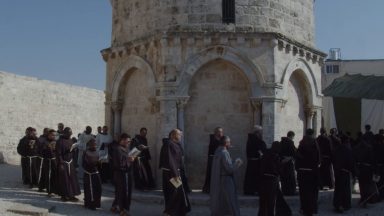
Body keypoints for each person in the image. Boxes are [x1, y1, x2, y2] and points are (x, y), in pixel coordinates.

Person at [159, 129, 191, 216]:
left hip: (173, 172)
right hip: (171, 173)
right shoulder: (169, 144)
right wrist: (176, 175)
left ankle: (174, 211)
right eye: (179, 134)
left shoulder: (174, 144)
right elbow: (171, 160)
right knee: (175, 193)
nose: (181, 136)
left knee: (176, 192)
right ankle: (170, 212)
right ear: (173, 135)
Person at [258, 141, 292, 216]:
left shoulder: (266, 154)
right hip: (272, 181)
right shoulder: (275, 156)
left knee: (263, 200)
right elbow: (277, 170)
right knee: (271, 200)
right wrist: (283, 163)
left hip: (263, 180)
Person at [210, 136, 242, 216]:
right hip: (226, 179)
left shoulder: (217, 151)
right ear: (226, 143)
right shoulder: (224, 153)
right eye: (229, 142)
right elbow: (229, 169)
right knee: (231, 201)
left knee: (222, 201)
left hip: (220, 180)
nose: (230, 144)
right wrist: (237, 163)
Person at [296, 128, 320, 216]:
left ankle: (303, 208)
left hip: (302, 172)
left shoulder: (301, 142)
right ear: (313, 133)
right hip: (312, 172)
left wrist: (298, 168)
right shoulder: (314, 143)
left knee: (303, 192)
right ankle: (311, 209)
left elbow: (298, 156)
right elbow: (317, 158)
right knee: (312, 191)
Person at [353, 132, 380, 207]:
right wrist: (376, 170)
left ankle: (362, 198)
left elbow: (354, 159)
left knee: (361, 185)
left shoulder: (356, 148)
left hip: (360, 168)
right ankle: (366, 199)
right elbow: (373, 160)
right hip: (368, 169)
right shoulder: (369, 148)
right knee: (367, 185)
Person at [111, 133, 135, 216]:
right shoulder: (117, 149)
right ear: (123, 140)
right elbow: (118, 164)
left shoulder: (126, 149)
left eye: (129, 141)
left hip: (126, 173)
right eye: (128, 141)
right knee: (123, 192)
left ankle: (114, 206)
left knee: (120, 191)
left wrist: (132, 159)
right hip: (120, 174)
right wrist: (129, 160)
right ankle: (122, 210)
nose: (129, 143)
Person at [56, 127, 81, 202]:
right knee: (64, 180)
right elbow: (58, 153)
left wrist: (73, 149)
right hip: (64, 163)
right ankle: (64, 195)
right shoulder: (60, 141)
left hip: (70, 162)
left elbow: (71, 151)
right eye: (69, 133)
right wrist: (61, 164)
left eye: (71, 133)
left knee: (72, 180)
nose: (70, 135)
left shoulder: (70, 140)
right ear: (65, 133)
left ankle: (71, 195)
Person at [332, 134, 354, 213]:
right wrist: (354, 172)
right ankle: (345, 204)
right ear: (347, 141)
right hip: (345, 172)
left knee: (338, 189)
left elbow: (333, 160)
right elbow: (351, 162)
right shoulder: (348, 150)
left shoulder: (336, 149)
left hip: (337, 172)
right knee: (345, 189)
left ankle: (337, 204)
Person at [244, 125, 266, 195]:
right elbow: (259, 148)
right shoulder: (254, 140)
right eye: (260, 132)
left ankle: (251, 190)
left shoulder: (252, 139)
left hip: (254, 161)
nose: (261, 133)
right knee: (253, 177)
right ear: (257, 132)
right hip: (255, 162)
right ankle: (252, 190)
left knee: (251, 177)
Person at [202, 127, 224, 193]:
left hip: (218, 159)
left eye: (221, 132)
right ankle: (208, 189)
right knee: (211, 174)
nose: (221, 133)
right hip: (213, 159)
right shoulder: (213, 139)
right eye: (219, 132)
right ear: (216, 132)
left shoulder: (221, 139)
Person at [82, 138, 102, 210]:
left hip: (96, 173)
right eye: (93, 144)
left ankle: (96, 203)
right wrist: (93, 164)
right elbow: (84, 164)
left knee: (98, 189)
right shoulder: (86, 152)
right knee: (89, 190)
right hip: (89, 174)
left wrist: (100, 163)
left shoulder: (98, 152)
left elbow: (99, 164)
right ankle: (89, 204)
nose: (95, 146)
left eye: (96, 144)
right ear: (90, 145)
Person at [40, 129, 58, 196]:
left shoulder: (56, 141)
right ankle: (49, 191)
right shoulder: (45, 142)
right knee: (48, 175)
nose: (54, 136)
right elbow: (42, 152)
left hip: (55, 160)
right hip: (48, 161)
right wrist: (48, 148)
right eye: (52, 135)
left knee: (54, 175)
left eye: (55, 135)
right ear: (49, 135)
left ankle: (54, 189)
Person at [279, 131, 297, 196]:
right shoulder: (290, 142)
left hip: (283, 162)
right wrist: (290, 158)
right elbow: (294, 152)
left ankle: (284, 191)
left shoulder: (281, 142)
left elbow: (279, 152)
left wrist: (282, 159)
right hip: (289, 163)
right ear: (291, 136)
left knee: (284, 177)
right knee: (290, 178)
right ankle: (291, 192)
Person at [374, 129, 384, 200]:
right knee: (381, 181)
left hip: (376, 166)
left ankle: (379, 195)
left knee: (378, 182)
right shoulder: (382, 146)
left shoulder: (373, 147)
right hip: (381, 166)